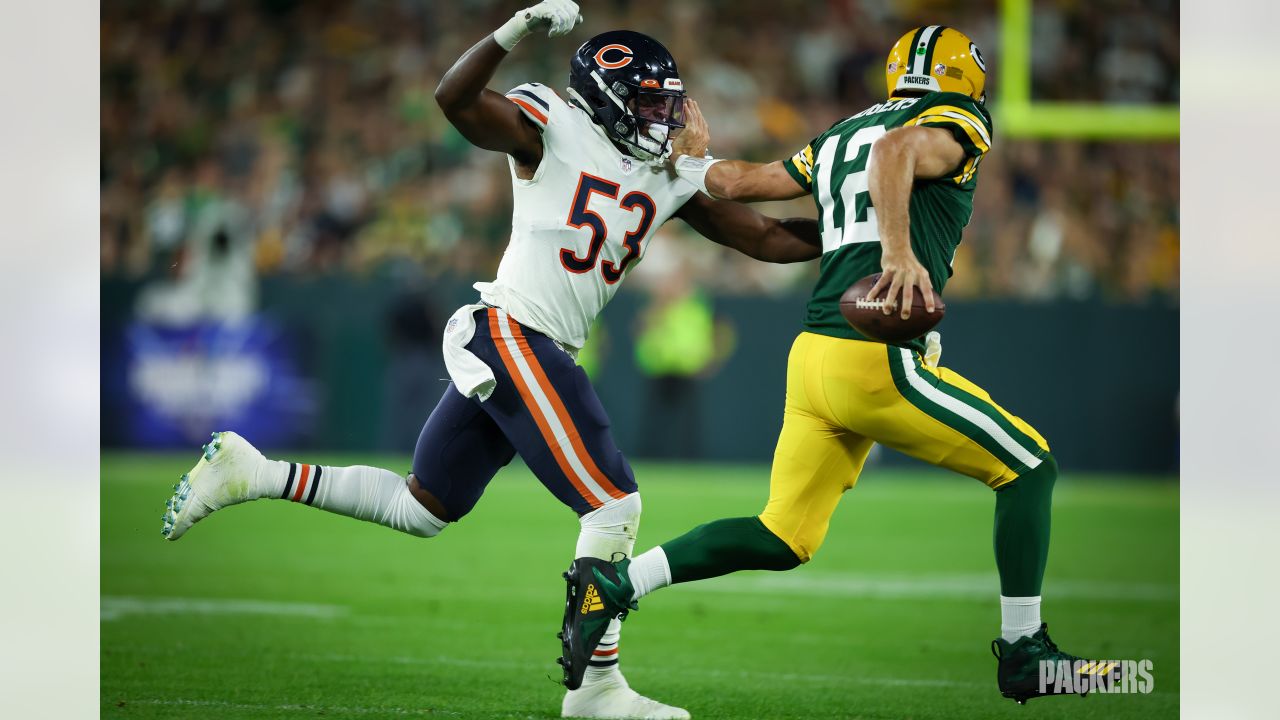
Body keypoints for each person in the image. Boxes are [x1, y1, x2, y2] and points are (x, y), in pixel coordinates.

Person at [160, 2, 821, 719]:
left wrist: (857, 226)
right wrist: (514, 31)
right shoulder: (554, 126)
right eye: (649, 102)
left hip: (533, 343)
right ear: (604, 99)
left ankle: (251, 471)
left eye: (667, 103)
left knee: (423, 507)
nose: (666, 117)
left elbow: (766, 239)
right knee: (613, 501)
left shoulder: (675, 173)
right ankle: (596, 691)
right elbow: (454, 99)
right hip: (511, 333)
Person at [561, 26, 1114, 705]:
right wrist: (899, 253)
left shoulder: (840, 133)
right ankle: (1026, 652)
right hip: (874, 357)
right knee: (1029, 467)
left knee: (781, 534)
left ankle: (615, 586)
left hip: (815, 356)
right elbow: (895, 151)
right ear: (962, 76)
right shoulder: (951, 118)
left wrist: (694, 164)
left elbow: (743, 182)